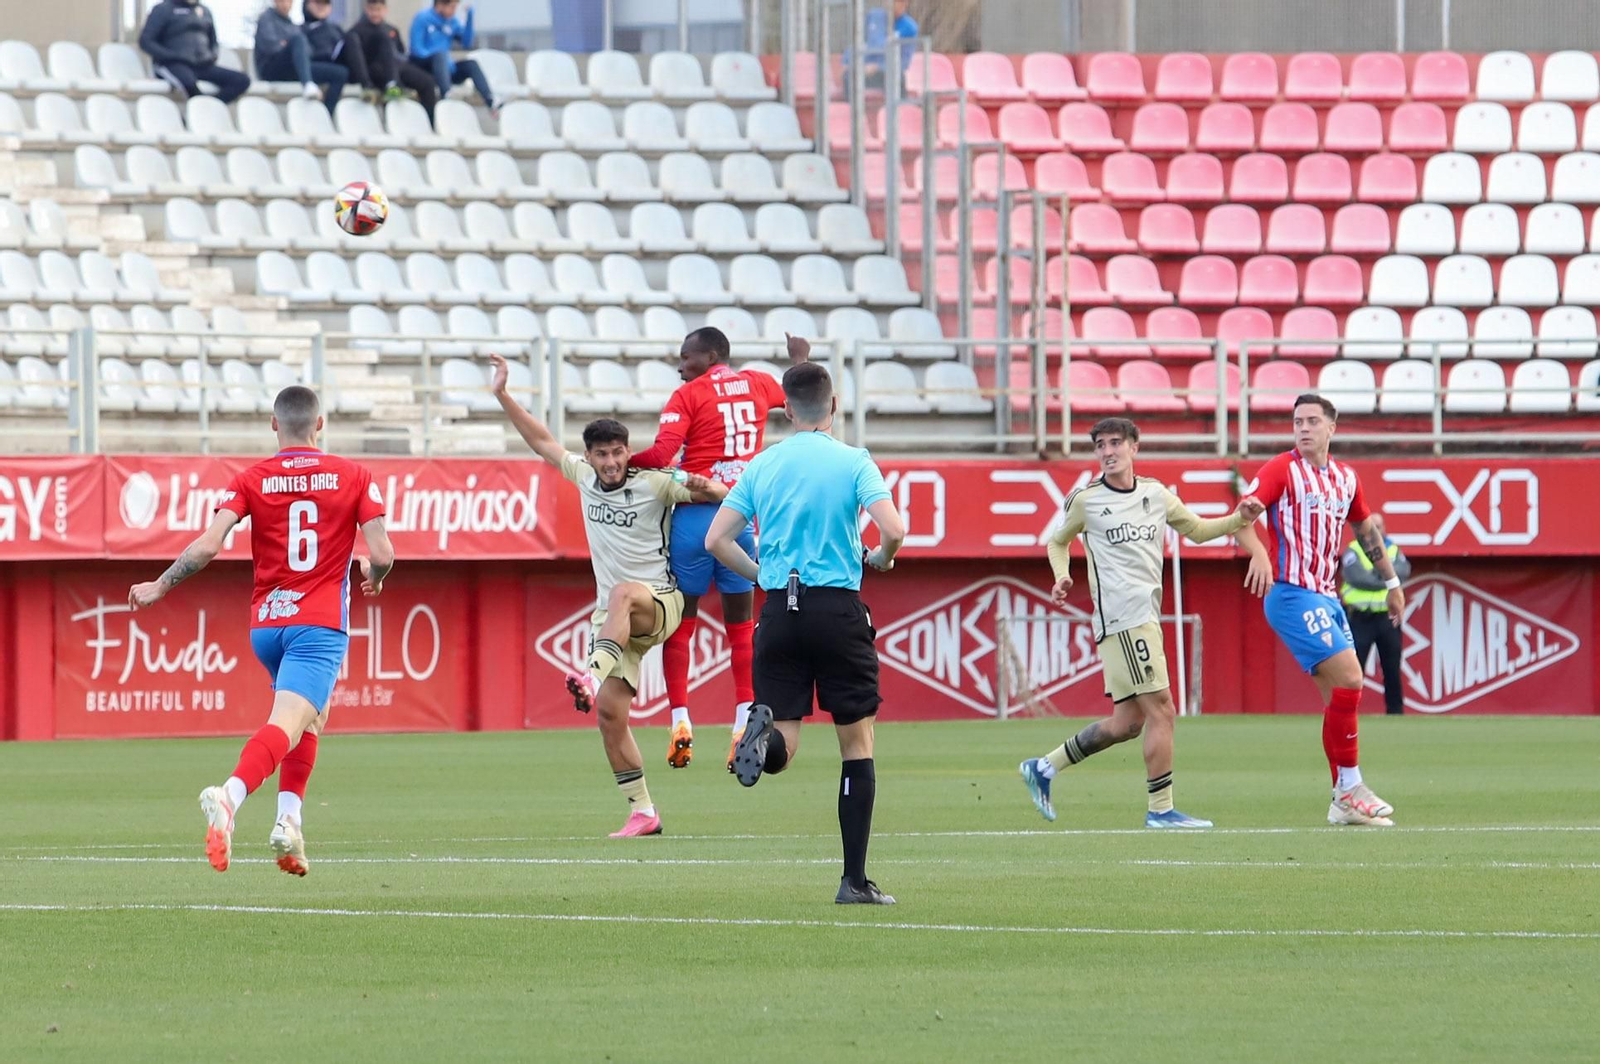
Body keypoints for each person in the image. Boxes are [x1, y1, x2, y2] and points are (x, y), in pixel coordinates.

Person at [127, 385, 394, 875]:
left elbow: (208, 546)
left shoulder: (250, 479)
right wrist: (374, 578)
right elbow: (382, 554)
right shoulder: (355, 476)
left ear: (274, 426)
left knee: (313, 717)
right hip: (319, 624)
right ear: (321, 424)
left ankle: (289, 825)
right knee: (287, 723)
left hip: (268, 626)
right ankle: (228, 797)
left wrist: (160, 586)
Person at [487, 353, 726, 837]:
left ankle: (589, 677)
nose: (612, 461)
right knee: (611, 718)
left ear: (628, 451)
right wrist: (502, 395)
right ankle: (643, 811)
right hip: (614, 623)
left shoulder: (656, 482)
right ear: (590, 456)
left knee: (620, 594)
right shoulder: (582, 478)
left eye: (619, 452)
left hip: (659, 602)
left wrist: (709, 485)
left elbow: (723, 496)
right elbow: (541, 441)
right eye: (602, 454)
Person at [706, 362, 906, 905]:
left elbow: (717, 540)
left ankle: (760, 739)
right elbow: (894, 529)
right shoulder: (853, 461)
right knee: (856, 746)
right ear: (834, 406)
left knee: (785, 744)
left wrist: (762, 576)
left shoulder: (763, 464)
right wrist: (880, 558)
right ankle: (854, 881)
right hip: (836, 606)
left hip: (778, 610)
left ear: (786, 410)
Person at [1018, 418, 1264, 829]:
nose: (1108, 451)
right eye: (1100, 445)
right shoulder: (1086, 500)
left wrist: (1238, 518)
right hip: (1122, 618)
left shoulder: (1156, 494)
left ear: (1134, 447)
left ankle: (1044, 767)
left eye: (1116, 443)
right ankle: (1161, 810)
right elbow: (1057, 540)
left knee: (1127, 723)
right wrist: (1062, 574)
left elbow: (1200, 531)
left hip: (1144, 616)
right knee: (1164, 710)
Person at [628, 328, 810, 773]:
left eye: (685, 356)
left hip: (694, 519)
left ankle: (679, 720)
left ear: (709, 356)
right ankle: (739, 724)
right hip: (739, 520)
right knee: (742, 629)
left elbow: (665, 452)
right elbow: (801, 397)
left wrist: (624, 462)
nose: (680, 365)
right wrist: (801, 358)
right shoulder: (757, 382)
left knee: (681, 627)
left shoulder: (687, 394)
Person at [1235, 393, 1405, 827]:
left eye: (1312, 421)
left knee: (1338, 699)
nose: (1304, 428)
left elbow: (1366, 529)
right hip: (1291, 593)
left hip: (1327, 597)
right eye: (1297, 421)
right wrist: (1258, 552)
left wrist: (1392, 583)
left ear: (1332, 427)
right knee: (1351, 677)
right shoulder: (1281, 469)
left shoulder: (1346, 478)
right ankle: (1352, 786)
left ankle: (1340, 801)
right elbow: (1242, 515)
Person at [1341, 514, 1411, 715]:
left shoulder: (1393, 549)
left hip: (1387, 617)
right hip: (1359, 617)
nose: (1377, 531)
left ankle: (1395, 713)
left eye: (1379, 527)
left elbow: (1403, 570)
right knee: (1354, 669)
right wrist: (1387, 578)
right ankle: (1348, 713)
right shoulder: (1354, 549)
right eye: (1373, 527)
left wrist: (1378, 574)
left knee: (1392, 667)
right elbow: (1358, 578)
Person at [139, 0, 251, 104]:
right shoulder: (163, 9)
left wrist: (212, 55)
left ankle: (209, 109)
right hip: (173, 64)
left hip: (202, 65)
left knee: (241, 80)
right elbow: (146, 41)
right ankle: (200, 111)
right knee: (189, 84)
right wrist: (171, 56)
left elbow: (213, 41)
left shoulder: (205, 11)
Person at [346, 0, 441, 118]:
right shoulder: (357, 31)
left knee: (427, 82)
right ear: (366, 9)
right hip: (376, 69)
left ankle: (429, 120)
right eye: (372, 10)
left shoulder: (391, 29)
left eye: (378, 10)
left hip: (397, 67)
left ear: (385, 10)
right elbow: (357, 58)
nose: (375, 14)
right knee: (391, 87)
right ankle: (392, 87)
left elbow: (401, 52)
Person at [409, 0, 499, 116]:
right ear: (440, 5)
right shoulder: (422, 18)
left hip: (445, 69)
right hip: (426, 67)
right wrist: (437, 58)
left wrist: (469, 18)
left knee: (471, 64)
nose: (454, 11)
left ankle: (491, 102)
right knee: (440, 55)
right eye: (451, 7)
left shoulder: (452, 21)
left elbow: (467, 43)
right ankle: (447, 95)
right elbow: (416, 49)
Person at [254, 0, 347, 109]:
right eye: (282, 1)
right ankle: (307, 84)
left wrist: (289, 45)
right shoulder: (267, 18)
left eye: (289, 1)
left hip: (294, 67)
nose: (285, 4)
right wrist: (290, 46)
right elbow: (270, 47)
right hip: (272, 69)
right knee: (297, 39)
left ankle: (326, 114)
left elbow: (309, 51)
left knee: (340, 73)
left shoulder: (292, 25)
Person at [842, 0, 918, 95]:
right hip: (866, 70)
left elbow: (904, 62)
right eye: (897, 1)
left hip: (888, 71)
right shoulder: (873, 16)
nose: (902, 4)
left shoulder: (909, 27)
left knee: (898, 77)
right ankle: (853, 109)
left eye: (904, 2)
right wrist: (848, 61)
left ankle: (899, 108)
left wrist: (878, 67)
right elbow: (859, 41)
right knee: (849, 76)